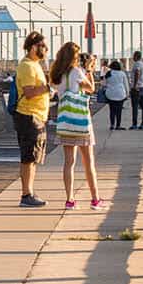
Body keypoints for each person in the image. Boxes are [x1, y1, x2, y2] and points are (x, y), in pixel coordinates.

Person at [51, 41, 105, 211]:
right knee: (88, 162)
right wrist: (89, 70)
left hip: (66, 123)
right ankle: (95, 199)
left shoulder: (57, 75)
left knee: (69, 162)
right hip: (81, 123)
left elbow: (56, 91)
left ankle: (70, 199)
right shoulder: (77, 72)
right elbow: (90, 89)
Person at [13, 30, 50, 207]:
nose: (46, 49)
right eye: (43, 45)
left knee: (33, 156)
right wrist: (48, 88)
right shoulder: (27, 66)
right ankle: (26, 194)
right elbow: (28, 93)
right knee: (28, 157)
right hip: (29, 116)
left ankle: (29, 192)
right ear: (33, 46)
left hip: (36, 116)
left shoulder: (35, 65)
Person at [102, 58, 129, 130]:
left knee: (112, 110)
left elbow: (104, 84)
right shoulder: (122, 73)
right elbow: (126, 84)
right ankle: (118, 125)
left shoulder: (108, 73)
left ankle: (112, 125)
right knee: (119, 110)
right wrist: (127, 93)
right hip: (120, 94)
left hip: (110, 94)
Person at [130, 51, 143, 128]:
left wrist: (135, 85)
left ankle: (134, 124)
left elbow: (137, 72)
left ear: (135, 56)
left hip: (137, 88)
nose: (132, 57)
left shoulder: (136, 64)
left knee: (135, 107)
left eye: (133, 56)